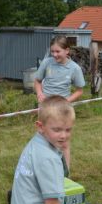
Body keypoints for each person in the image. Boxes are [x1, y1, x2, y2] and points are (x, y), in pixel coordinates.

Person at [33, 35, 86, 170]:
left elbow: (80, 91)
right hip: (46, 109)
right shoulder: (46, 63)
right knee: (43, 138)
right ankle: (43, 168)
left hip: (63, 110)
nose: (55, 55)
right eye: (52, 51)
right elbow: (37, 81)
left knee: (64, 142)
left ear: (67, 51)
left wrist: (65, 101)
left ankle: (66, 172)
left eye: (58, 51)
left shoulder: (74, 69)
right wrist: (39, 93)